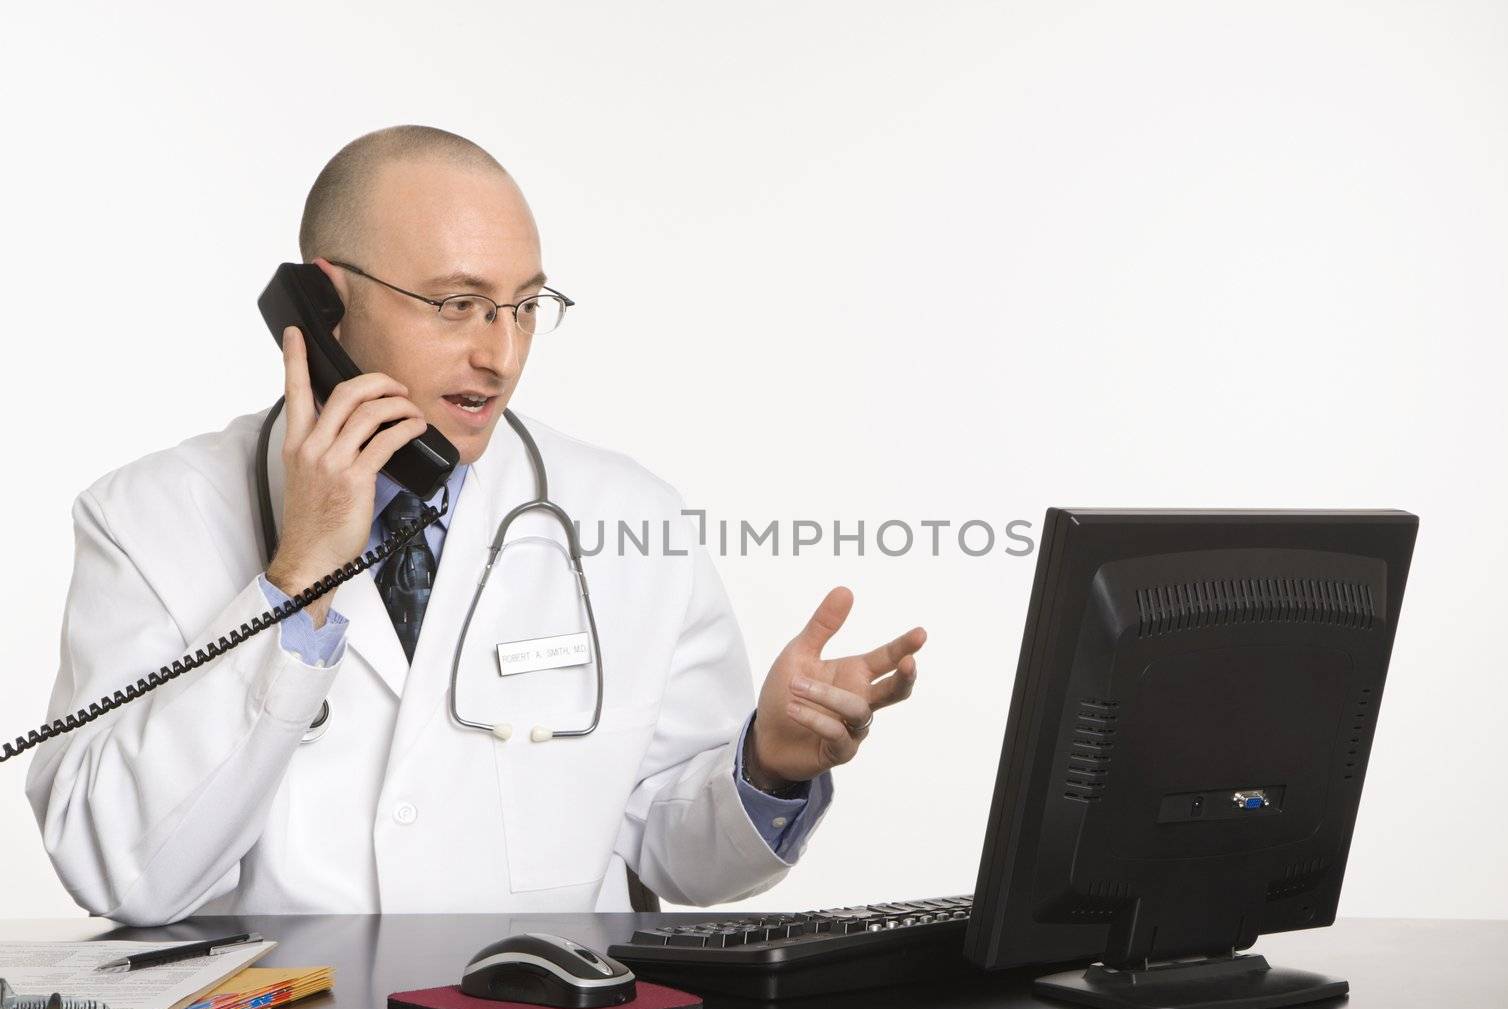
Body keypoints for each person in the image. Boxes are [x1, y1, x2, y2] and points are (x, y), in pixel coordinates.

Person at [25, 125, 926, 925]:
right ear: (324, 303)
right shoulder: (144, 519)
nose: (499, 354)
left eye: (525, 307)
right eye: (457, 305)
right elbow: (118, 871)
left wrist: (767, 766)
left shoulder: (627, 516)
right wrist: (299, 579)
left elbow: (676, 853)